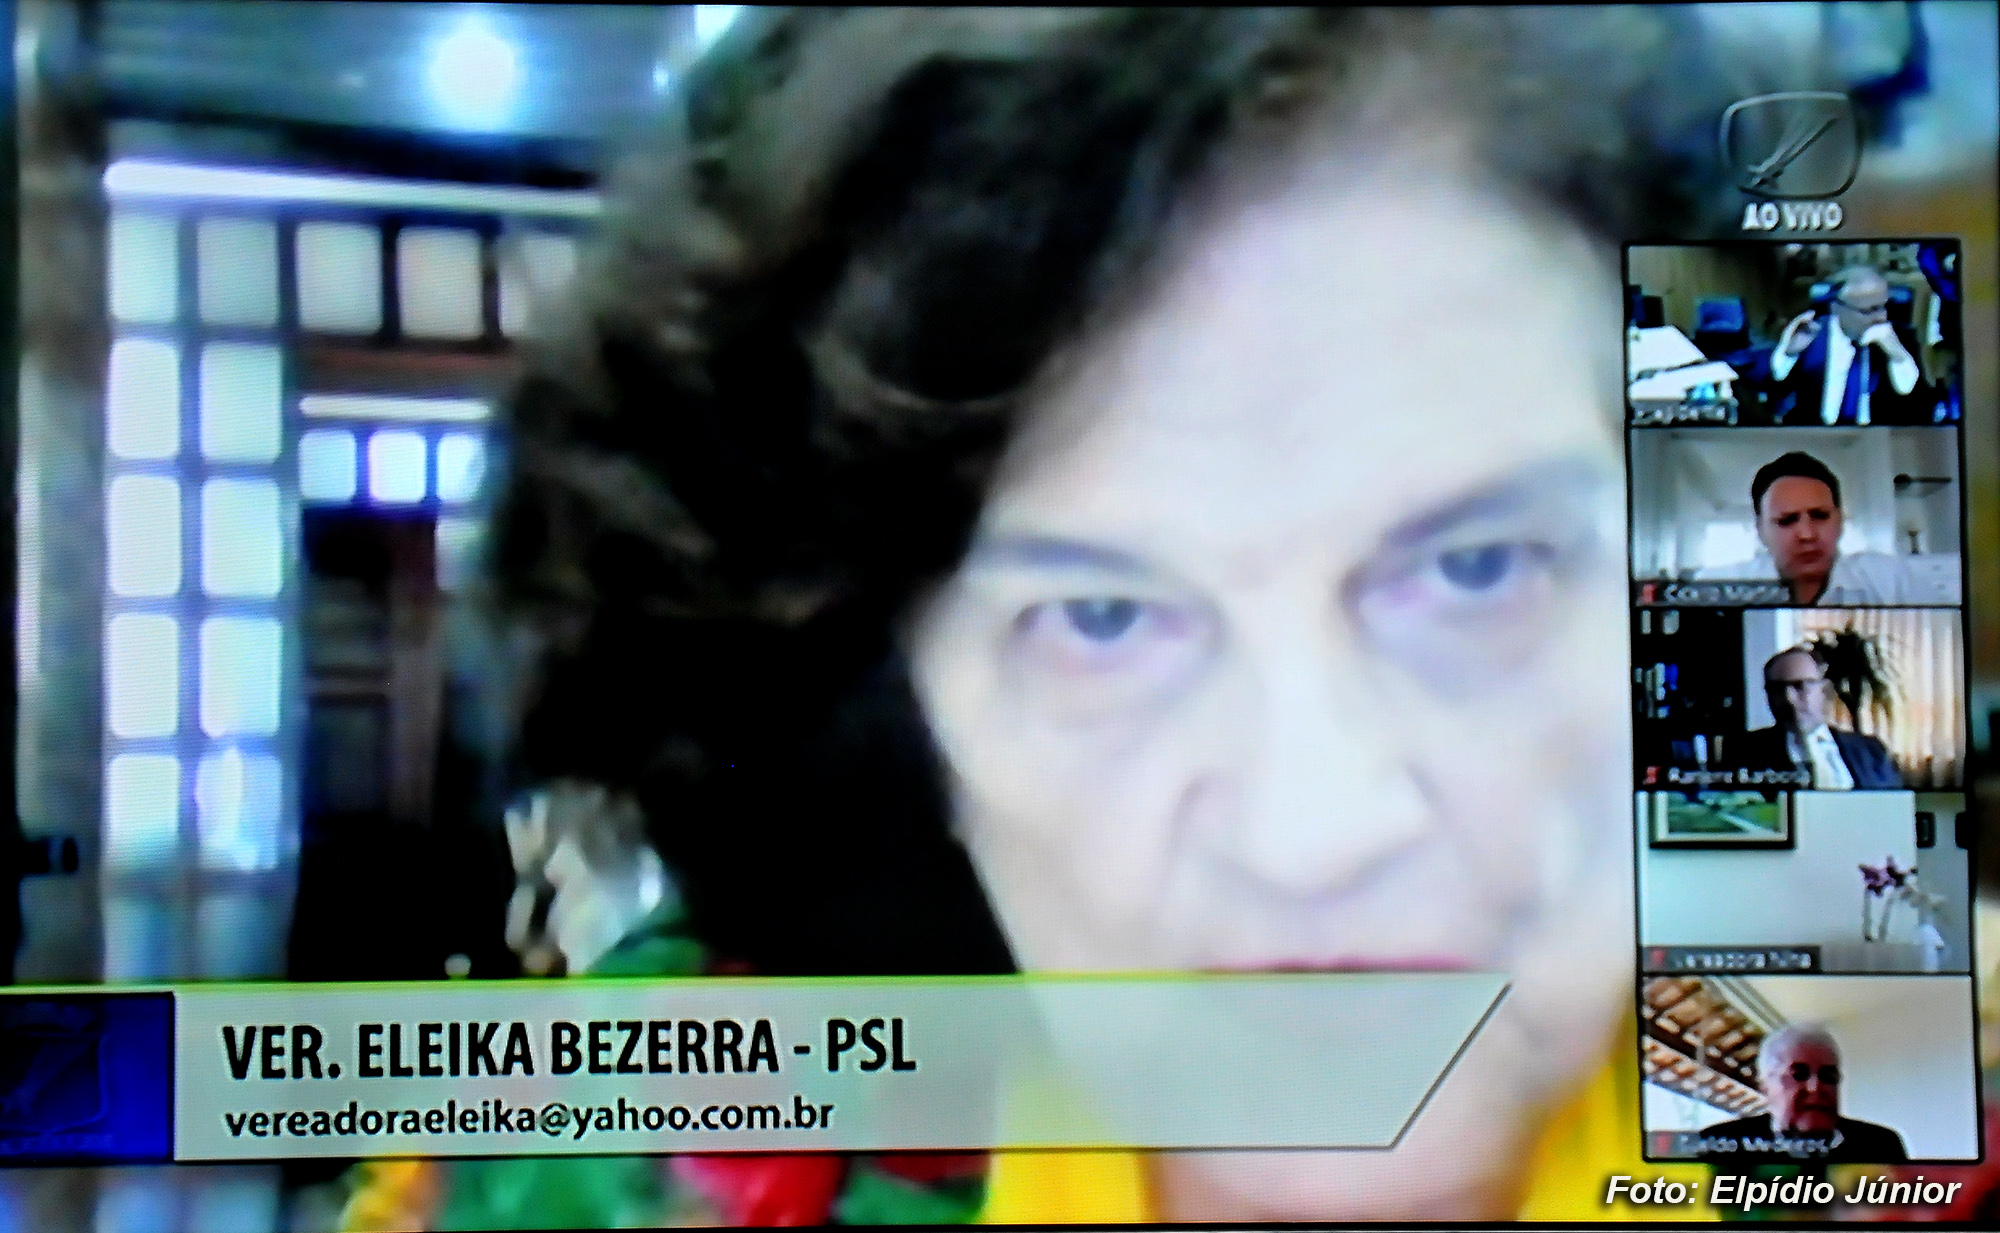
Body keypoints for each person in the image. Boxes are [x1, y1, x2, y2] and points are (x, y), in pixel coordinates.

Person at [343, 7, 1872, 1226]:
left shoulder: (1880, 1082)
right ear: (903, 724)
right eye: (1100, 619)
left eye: (1480, 571)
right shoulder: (619, 1161)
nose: (1316, 829)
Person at [1695, 451, 1957, 604]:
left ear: (1840, 521)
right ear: (1760, 531)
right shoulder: (1718, 587)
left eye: (1820, 516)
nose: (1807, 534)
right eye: (1786, 520)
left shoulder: (1891, 579)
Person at [1692, 1024, 1909, 1170]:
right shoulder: (1717, 1146)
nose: (1816, 1088)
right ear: (1765, 1087)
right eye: (1798, 1074)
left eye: (1828, 1076)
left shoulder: (1881, 1147)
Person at [1769, 265, 1922, 426]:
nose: (1881, 317)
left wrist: (1897, 355)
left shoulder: (1899, 338)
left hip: (1874, 436)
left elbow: (1915, 402)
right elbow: (1775, 388)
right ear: (1837, 308)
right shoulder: (1810, 333)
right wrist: (1790, 353)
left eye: (1883, 306)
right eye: (1869, 310)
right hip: (1815, 434)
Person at [1732, 647, 1903, 790]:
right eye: (1776, 690)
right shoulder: (1745, 752)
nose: (1789, 699)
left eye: (1800, 686)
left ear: (1824, 691)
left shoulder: (1871, 751)